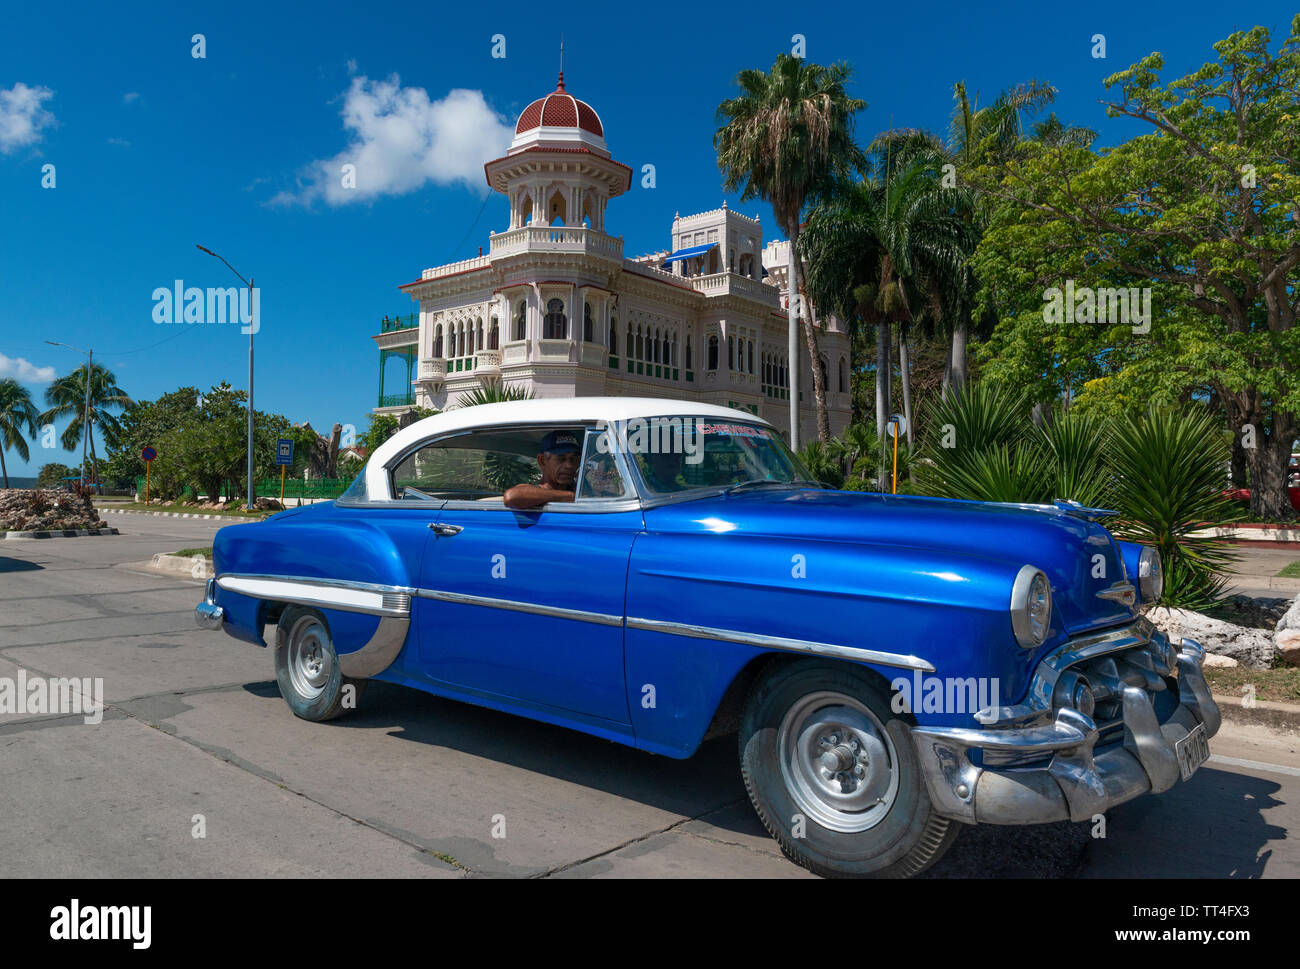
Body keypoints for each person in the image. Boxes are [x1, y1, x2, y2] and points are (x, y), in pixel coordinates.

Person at [503, 430, 581, 509]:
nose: (569, 465)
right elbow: (512, 497)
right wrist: (570, 496)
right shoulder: (533, 493)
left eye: (574, 459)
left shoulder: (577, 488)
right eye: (561, 458)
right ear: (542, 461)